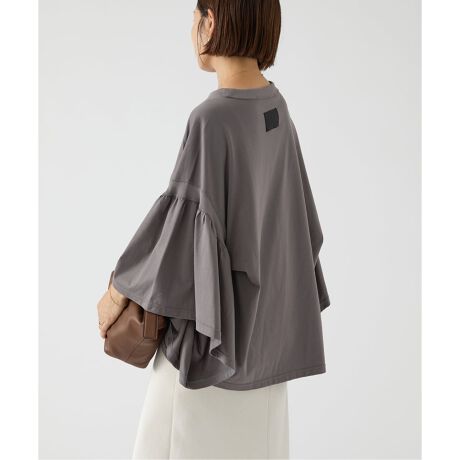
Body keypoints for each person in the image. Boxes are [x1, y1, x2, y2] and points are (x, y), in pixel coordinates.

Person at [96, 1, 330, 458]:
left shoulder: (212, 118)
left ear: (211, 22)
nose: (191, 31)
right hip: (264, 360)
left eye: (194, 17)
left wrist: (117, 291)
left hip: (208, 360)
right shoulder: (276, 109)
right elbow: (294, 227)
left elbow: (177, 233)